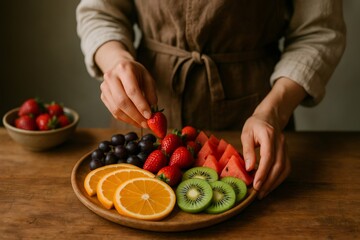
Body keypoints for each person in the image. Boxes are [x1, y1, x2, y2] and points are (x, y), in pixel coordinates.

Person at [76, 0, 346, 199]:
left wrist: (272, 111)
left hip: (256, 107)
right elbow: (99, 11)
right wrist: (117, 61)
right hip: (143, 104)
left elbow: (318, 31)